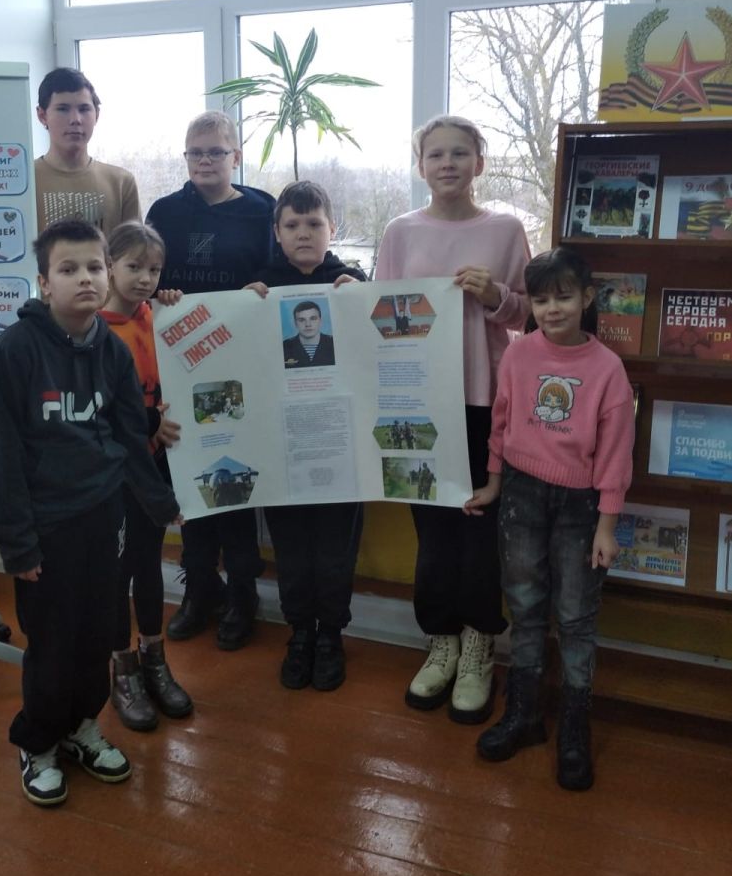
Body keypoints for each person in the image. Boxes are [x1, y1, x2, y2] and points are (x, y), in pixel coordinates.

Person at [0, 218, 182, 807]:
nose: (86, 278)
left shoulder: (111, 351)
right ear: (45, 282)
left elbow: (129, 440)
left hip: (104, 518)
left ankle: (81, 726)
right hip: (45, 528)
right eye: (68, 269)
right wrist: (17, 544)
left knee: (98, 632)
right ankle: (39, 741)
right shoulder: (15, 352)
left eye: (94, 266)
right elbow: (1, 457)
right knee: (54, 640)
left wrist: (163, 505)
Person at [376, 114, 530, 724]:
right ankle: (440, 640)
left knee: (479, 530)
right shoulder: (399, 231)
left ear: (479, 163)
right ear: (420, 166)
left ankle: (479, 645)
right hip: (415, 401)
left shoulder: (506, 229)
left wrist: (495, 296)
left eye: (460, 153)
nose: (447, 163)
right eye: (436, 154)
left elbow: (529, 314)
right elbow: (378, 315)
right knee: (433, 529)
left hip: (483, 401)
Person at [464, 246, 634, 790]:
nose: (552, 309)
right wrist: (494, 481)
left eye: (563, 297)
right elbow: (502, 422)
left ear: (587, 298)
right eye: (540, 300)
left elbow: (616, 454)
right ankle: (524, 713)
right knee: (526, 606)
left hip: (580, 506)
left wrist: (607, 524)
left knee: (576, 616)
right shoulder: (518, 355)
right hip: (521, 493)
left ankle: (575, 727)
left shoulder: (607, 369)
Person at [146, 110, 275, 651]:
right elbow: (145, 275)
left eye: (215, 152)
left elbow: (279, 273)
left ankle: (243, 593)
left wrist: (260, 288)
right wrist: (159, 292)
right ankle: (199, 588)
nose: (204, 161)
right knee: (190, 481)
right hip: (182, 365)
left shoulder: (263, 210)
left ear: (235, 156)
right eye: (195, 152)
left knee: (235, 482)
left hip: (240, 365)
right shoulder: (164, 212)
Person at [244, 180, 365, 691]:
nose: (303, 233)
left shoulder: (352, 283)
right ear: (276, 231)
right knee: (290, 547)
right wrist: (241, 310)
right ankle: (299, 633)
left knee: (337, 548)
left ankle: (331, 635)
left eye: (314, 223)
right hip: (284, 447)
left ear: (331, 228)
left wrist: (362, 303)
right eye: (292, 224)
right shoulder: (258, 288)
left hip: (342, 446)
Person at [100, 220, 193, 733]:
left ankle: (155, 657)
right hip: (116, 471)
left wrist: (172, 303)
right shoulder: (93, 329)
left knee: (149, 563)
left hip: (157, 461)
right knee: (118, 573)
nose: (144, 278)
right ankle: (123, 670)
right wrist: (147, 422)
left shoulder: (156, 315)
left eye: (154, 270)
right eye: (133, 266)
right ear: (109, 265)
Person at [34, 67, 140, 233]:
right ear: (42, 116)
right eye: (62, 109)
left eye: (84, 109)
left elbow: (134, 248)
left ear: (96, 114)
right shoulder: (25, 182)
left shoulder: (121, 183)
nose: (75, 119)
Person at [282, 299, 336, 368]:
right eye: (301, 320)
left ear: (320, 321)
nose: (308, 324)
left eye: (313, 318)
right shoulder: (284, 346)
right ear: (295, 323)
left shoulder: (334, 343)